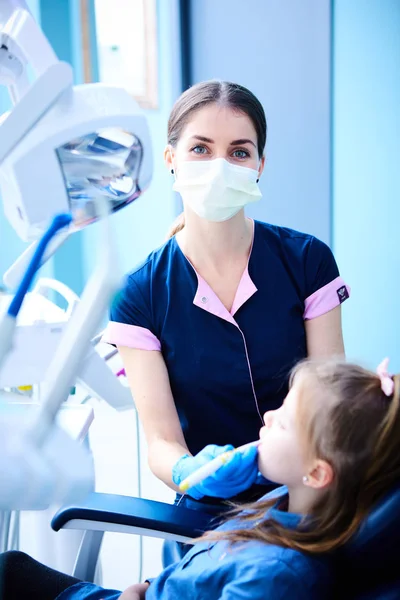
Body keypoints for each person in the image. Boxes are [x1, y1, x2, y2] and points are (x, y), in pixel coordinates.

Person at [102, 79, 350, 513]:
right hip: (209, 517)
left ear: (259, 164)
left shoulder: (307, 261)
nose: (220, 165)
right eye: (200, 148)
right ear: (171, 160)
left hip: (309, 499)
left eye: (239, 151)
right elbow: (161, 442)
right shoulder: (140, 295)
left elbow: (329, 404)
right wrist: (189, 472)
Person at [1, 357, 399, 599]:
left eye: (284, 423)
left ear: (315, 473)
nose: (269, 417)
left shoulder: (277, 578)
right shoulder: (279, 504)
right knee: (10, 568)